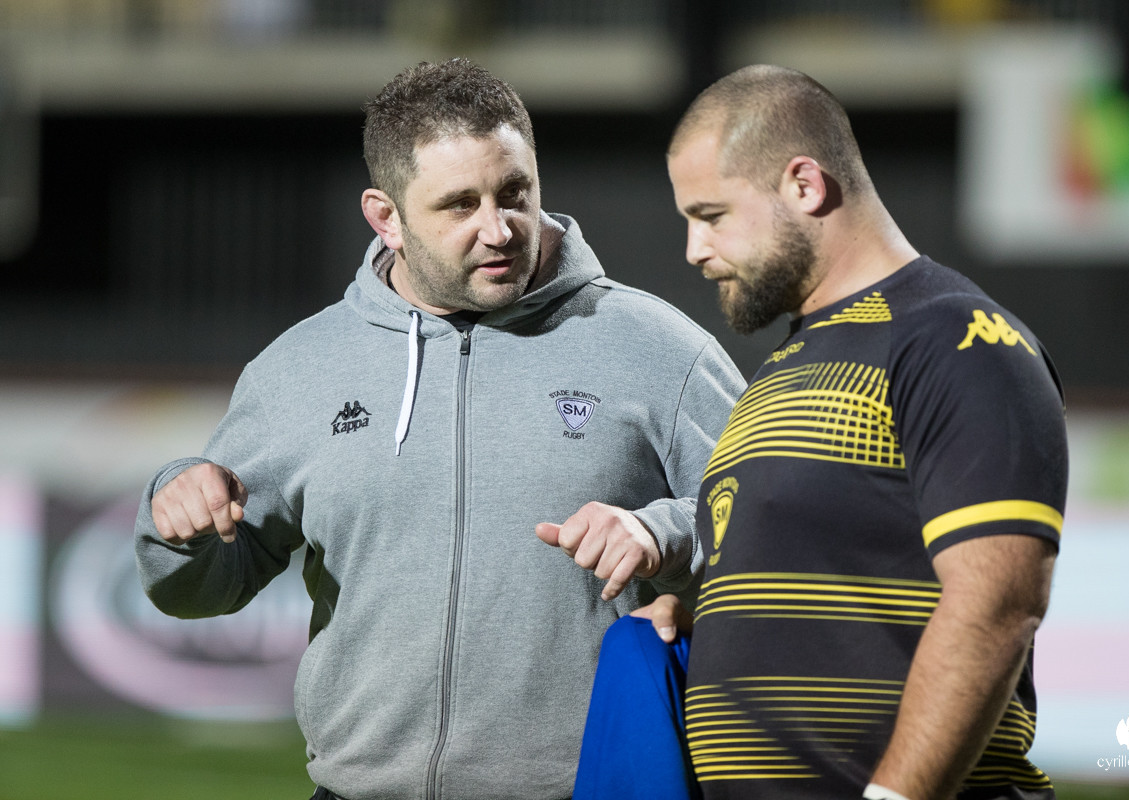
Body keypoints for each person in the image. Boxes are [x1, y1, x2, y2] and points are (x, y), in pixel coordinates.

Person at [134, 58, 744, 800]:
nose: (499, 229)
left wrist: (667, 532)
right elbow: (201, 592)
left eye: (515, 193)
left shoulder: (659, 350)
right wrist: (179, 521)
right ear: (385, 216)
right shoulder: (298, 370)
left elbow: (777, 536)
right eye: (460, 205)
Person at [631, 64, 1068, 800]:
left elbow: (998, 605)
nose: (693, 250)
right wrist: (706, 614)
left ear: (804, 185)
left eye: (710, 215)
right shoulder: (782, 369)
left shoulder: (958, 339)